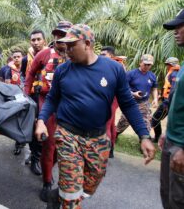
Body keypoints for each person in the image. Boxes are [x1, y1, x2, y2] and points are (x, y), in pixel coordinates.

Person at [35, 24, 155, 208]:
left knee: (91, 184)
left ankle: (60, 195)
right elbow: (52, 99)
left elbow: (128, 104)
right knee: (72, 195)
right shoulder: (62, 70)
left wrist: (144, 135)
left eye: (71, 46)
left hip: (98, 138)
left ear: (87, 44)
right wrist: (42, 121)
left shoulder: (114, 69)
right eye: (65, 46)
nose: (66, 51)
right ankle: (66, 198)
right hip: (68, 136)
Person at [25, 21, 71, 202]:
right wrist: (25, 95)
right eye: (58, 34)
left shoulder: (76, 56)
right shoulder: (44, 54)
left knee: (64, 147)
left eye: (65, 34)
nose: (61, 37)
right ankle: (46, 181)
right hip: (47, 104)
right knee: (49, 144)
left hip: (69, 107)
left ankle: (50, 169)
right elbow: (29, 74)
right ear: (54, 36)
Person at [159, 9, 184, 209]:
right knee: (167, 196)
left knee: (178, 201)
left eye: (180, 26)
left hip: (181, 148)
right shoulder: (182, 66)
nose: (176, 31)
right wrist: (167, 133)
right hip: (171, 142)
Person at [21, 29, 48, 176]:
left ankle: (44, 157)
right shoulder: (26, 59)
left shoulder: (52, 56)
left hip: (49, 97)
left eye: (39, 39)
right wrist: (25, 96)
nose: (36, 42)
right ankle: (35, 158)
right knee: (34, 127)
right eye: (33, 40)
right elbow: (24, 76)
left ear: (44, 40)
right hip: (33, 97)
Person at [116, 54, 159, 136]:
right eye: (145, 64)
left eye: (149, 65)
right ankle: (115, 134)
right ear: (140, 62)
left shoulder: (152, 76)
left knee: (146, 124)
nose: (147, 66)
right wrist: (133, 93)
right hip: (131, 102)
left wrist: (155, 99)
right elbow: (122, 87)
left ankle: (144, 140)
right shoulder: (131, 74)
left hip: (144, 103)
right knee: (124, 122)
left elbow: (154, 88)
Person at [151, 57, 180, 143]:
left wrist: (167, 103)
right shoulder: (175, 73)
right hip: (169, 101)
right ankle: (159, 138)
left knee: (155, 118)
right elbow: (168, 87)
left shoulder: (174, 74)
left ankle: (158, 138)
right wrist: (161, 96)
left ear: (170, 65)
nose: (166, 66)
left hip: (168, 103)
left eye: (167, 64)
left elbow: (173, 90)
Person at [99, 46, 121, 158]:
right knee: (111, 124)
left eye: (104, 54)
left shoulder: (116, 67)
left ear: (111, 56)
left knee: (106, 125)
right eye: (100, 54)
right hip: (110, 99)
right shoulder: (111, 66)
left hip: (111, 99)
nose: (100, 56)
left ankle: (105, 152)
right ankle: (111, 149)